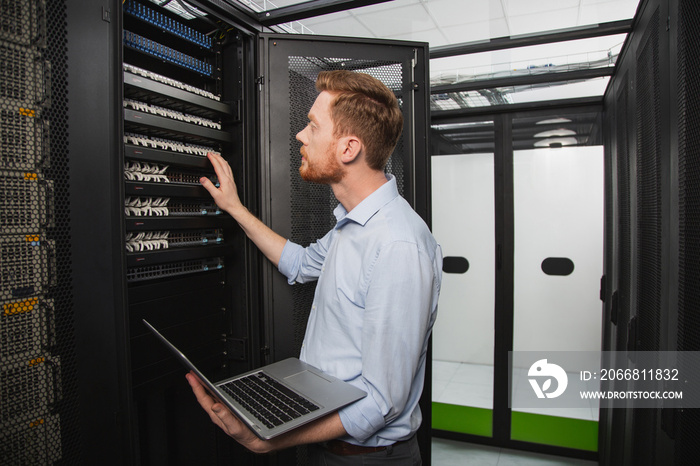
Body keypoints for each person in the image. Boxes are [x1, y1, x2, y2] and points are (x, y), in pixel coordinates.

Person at [186, 70, 442, 464]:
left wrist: (268, 440)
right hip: (329, 447)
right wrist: (235, 208)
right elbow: (301, 263)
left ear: (348, 148)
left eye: (312, 126)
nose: (300, 136)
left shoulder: (397, 246)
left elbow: (381, 402)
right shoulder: (352, 226)